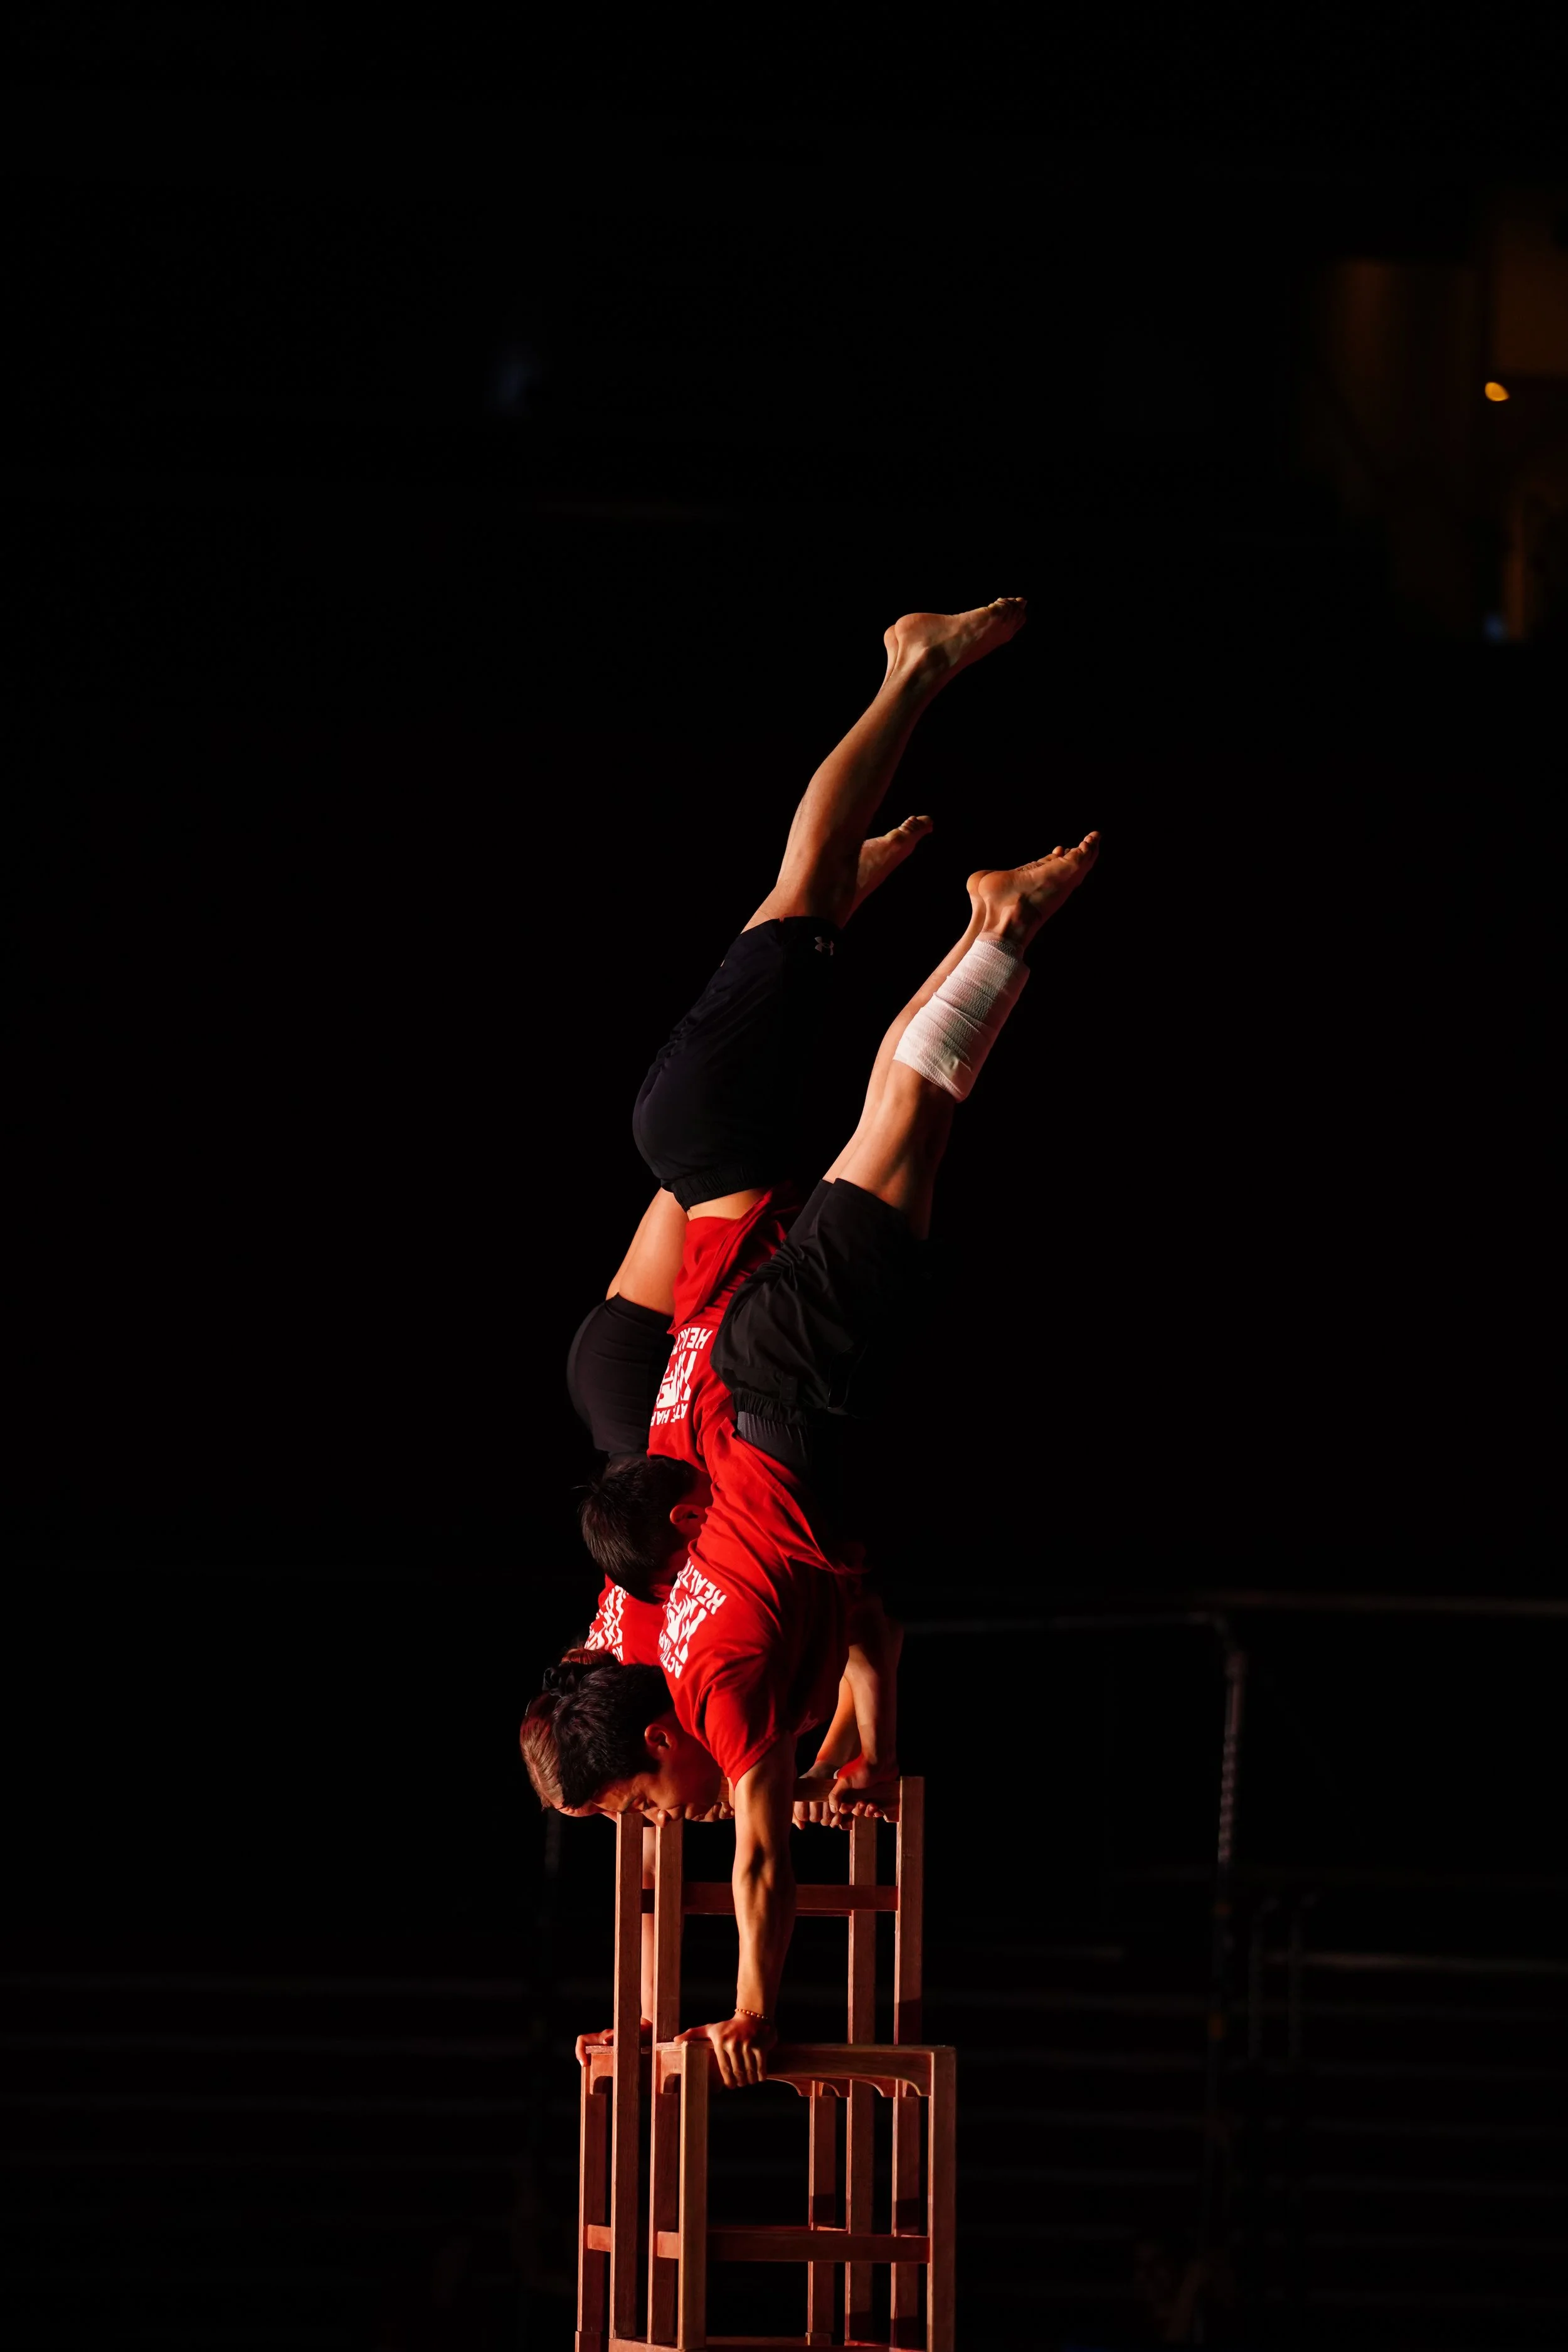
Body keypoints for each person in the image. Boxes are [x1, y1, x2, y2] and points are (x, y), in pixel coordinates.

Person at [522, 825, 1100, 2084]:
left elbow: (758, 1858)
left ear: (654, 1749)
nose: (645, 1828)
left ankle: (987, 925)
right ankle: (964, 926)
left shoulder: (716, 1710)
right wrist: (869, 1742)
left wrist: (746, 2012)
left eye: (630, 1807)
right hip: (753, 1376)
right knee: (903, 1128)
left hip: (784, 1387)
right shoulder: (631, 1636)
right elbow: (865, 1628)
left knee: (905, 1121)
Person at [561, 599, 1032, 1816]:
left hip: (703, 1170)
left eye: (652, 1807)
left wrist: (755, 1784)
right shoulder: (656, 1597)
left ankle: (907, 670)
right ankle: (836, 914)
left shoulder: (702, 1591)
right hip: (678, 1222)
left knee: (802, 897)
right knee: (794, 955)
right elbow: (850, 1630)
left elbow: (805, 1667)